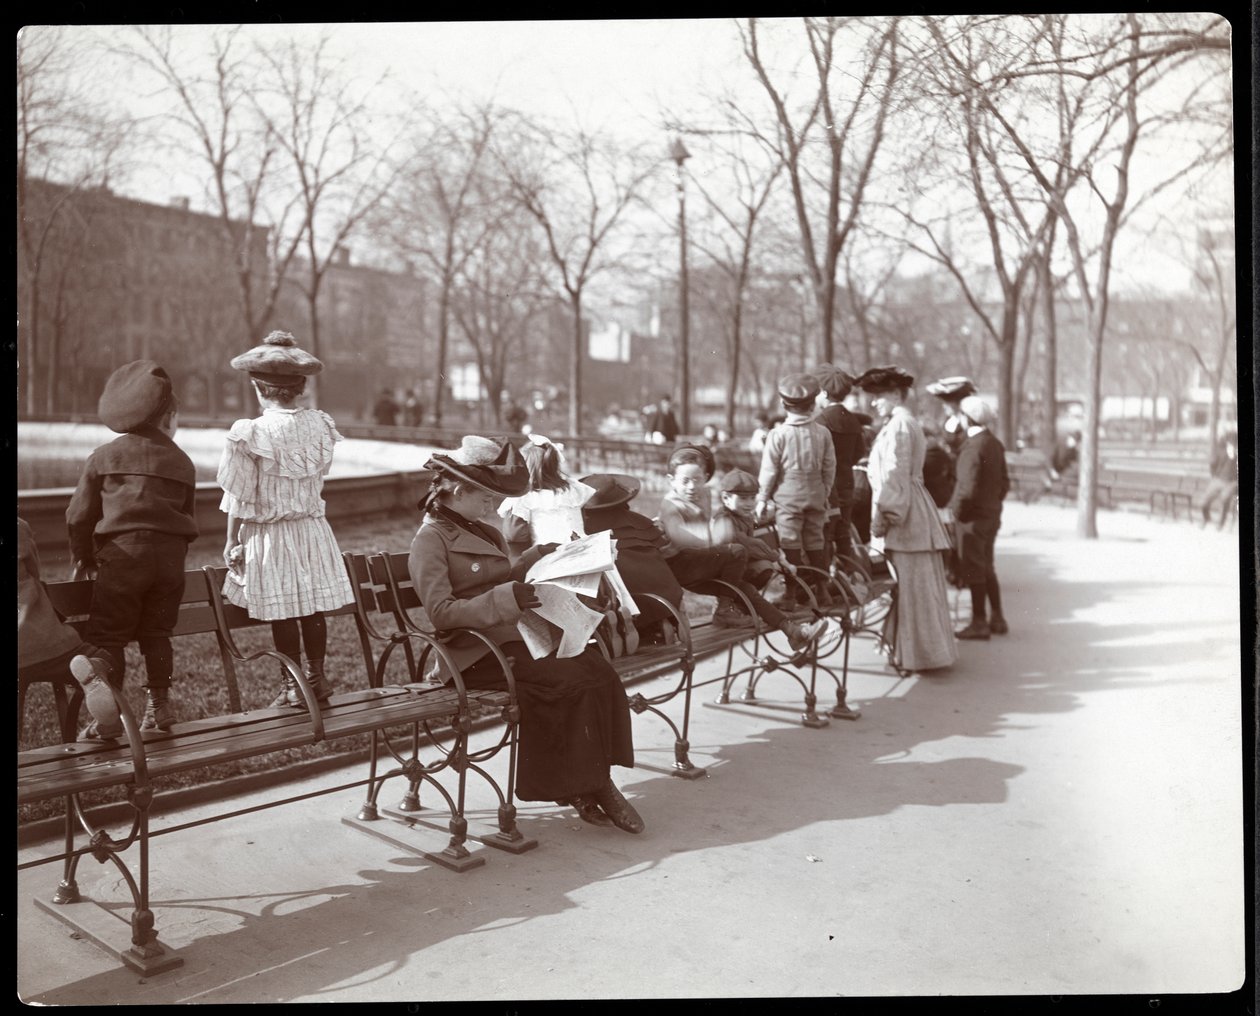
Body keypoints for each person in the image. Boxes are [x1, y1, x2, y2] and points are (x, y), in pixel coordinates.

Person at [408, 436, 643, 833]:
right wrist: (505, 597)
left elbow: (508, 579)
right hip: (472, 653)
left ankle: (590, 781)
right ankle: (593, 786)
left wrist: (540, 556)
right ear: (458, 491)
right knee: (563, 680)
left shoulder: (485, 531)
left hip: (512, 639)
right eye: (485, 497)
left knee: (596, 671)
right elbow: (441, 613)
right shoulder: (429, 539)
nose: (492, 505)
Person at [218, 331, 355, 710]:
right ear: (301, 388)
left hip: (272, 533)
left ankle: (293, 685)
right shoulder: (319, 426)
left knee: (284, 609)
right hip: (311, 529)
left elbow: (239, 495)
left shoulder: (253, 432)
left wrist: (232, 540)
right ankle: (315, 676)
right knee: (310, 606)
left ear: (259, 389)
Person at [66, 360, 198, 735]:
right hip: (170, 561)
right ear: (167, 416)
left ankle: (111, 715)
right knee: (157, 633)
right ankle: (159, 707)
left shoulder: (104, 457)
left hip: (123, 559)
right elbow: (187, 516)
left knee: (108, 636)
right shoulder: (182, 461)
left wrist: (84, 556)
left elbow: (78, 516)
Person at [658, 446, 826, 651]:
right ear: (671, 480)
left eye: (697, 479)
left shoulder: (703, 494)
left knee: (746, 589)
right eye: (685, 481)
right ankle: (724, 609)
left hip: (700, 563)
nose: (692, 486)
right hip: (681, 567)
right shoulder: (670, 505)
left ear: (705, 478)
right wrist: (712, 534)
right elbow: (679, 535)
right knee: (737, 552)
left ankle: (793, 632)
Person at [854, 365, 957, 673]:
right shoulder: (903, 423)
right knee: (914, 588)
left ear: (896, 395)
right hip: (912, 510)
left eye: (879, 396)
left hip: (906, 516)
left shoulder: (900, 425)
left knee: (912, 588)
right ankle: (914, 652)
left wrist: (886, 515)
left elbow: (894, 476)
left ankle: (919, 656)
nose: (874, 403)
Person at [19, 518, 124, 741]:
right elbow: (33, 571)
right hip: (51, 642)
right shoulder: (19, 526)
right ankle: (95, 668)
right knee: (101, 657)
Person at [755, 373, 836, 610]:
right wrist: (824, 492)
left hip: (788, 499)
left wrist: (761, 498)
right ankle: (822, 591)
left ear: (783, 404)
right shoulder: (823, 433)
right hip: (816, 495)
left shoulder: (778, 435)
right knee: (815, 541)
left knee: (790, 543)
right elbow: (830, 468)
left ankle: (790, 593)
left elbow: (769, 471)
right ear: (812, 405)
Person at [580, 473, 685, 636]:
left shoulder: (586, 530)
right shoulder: (641, 523)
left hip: (627, 600)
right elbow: (664, 550)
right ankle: (661, 622)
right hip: (665, 597)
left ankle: (617, 629)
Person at [948, 396, 1010, 639]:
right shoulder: (994, 444)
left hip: (972, 519)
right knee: (987, 566)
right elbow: (1004, 483)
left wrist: (956, 514)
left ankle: (979, 622)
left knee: (973, 568)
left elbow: (966, 489)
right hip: (991, 514)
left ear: (966, 418)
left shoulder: (973, 447)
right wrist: (992, 503)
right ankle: (997, 617)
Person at [498, 436, 596, 547]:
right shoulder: (573, 490)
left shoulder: (524, 497)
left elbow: (514, 534)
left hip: (547, 555)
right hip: (579, 551)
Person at [812, 364, 864, 572]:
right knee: (844, 535)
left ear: (823, 393)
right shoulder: (853, 420)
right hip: (847, 485)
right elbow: (859, 452)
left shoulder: (820, 421)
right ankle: (850, 576)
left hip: (828, 489)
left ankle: (824, 585)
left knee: (825, 536)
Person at [711, 468, 788, 592]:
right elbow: (749, 543)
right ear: (726, 498)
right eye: (743, 498)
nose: (749, 504)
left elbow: (753, 526)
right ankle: (732, 602)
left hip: (738, 563)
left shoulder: (743, 515)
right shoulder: (724, 520)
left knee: (764, 568)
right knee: (763, 567)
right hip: (723, 569)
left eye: (753, 498)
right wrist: (778, 559)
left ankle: (740, 604)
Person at [1200, 429, 1239, 530]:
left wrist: (1234, 456)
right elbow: (1212, 464)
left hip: (1232, 482)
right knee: (1203, 502)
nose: (1232, 444)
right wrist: (1214, 476)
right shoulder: (1221, 451)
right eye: (1230, 441)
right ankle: (1207, 518)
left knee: (1224, 498)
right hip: (1218, 480)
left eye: (1234, 442)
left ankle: (1220, 524)